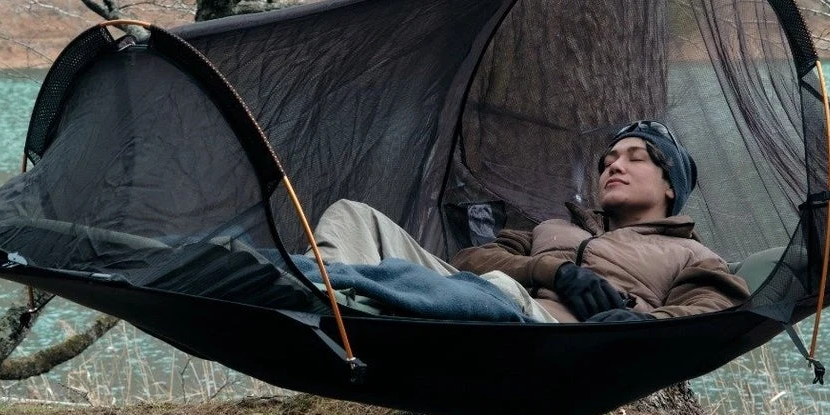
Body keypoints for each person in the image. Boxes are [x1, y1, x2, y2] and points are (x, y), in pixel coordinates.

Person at [311, 120, 748, 324]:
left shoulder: (691, 253)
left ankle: (354, 291)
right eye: (609, 160)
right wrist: (552, 269)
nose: (614, 167)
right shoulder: (553, 228)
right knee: (354, 215)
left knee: (500, 291)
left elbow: (712, 311)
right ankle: (317, 289)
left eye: (636, 159)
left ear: (671, 185)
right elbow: (469, 257)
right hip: (479, 296)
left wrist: (639, 323)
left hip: (542, 333)